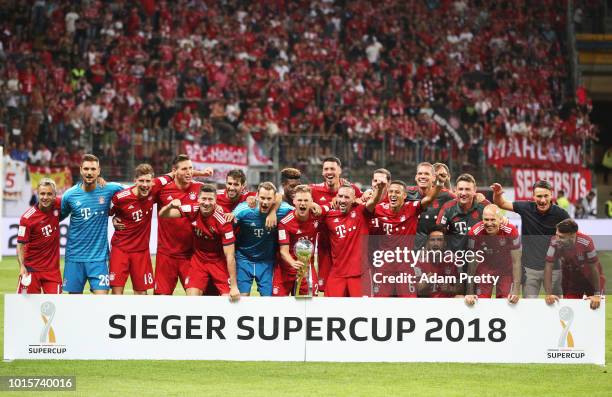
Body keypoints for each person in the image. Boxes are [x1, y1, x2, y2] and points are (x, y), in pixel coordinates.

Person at [158, 184, 240, 300]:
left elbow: (230, 255)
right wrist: (170, 205)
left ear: (215, 201)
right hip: (199, 261)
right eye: (204, 199)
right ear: (198, 199)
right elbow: (163, 214)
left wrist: (234, 286)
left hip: (218, 263)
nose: (206, 203)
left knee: (228, 299)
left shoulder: (223, 221)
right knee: (192, 299)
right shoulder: (193, 209)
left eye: (210, 199)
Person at [492, 180, 569, 298]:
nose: (542, 200)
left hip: (554, 270)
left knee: (558, 309)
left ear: (551, 195)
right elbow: (501, 203)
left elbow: (572, 236)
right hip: (530, 270)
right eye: (539, 196)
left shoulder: (561, 214)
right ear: (533, 196)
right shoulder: (526, 207)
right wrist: (497, 194)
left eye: (546, 196)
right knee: (529, 308)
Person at [371, 177, 444, 297]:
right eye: (391, 192)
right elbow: (365, 208)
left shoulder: (412, 208)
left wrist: (440, 183)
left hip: (404, 264)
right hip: (384, 264)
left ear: (404, 195)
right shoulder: (379, 209)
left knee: (409, 301)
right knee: (380, 302)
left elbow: (429, 198)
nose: (393, 195)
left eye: (397, 192)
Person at [61, 154, 124, 294]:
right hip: (74, 258)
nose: (89, 173)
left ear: (99, 170)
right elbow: (55, 218)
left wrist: (117, 215)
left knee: (101, 304)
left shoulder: (110, 189)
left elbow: (134, 192)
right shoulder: (69, 195)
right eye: (86, 169)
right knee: (74, 305)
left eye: (93, 169)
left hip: (98, 259)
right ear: (81, 170)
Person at [109, 164, 173, 295]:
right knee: (116, 292)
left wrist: (201, 173)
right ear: (135, 181)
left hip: (141, 251)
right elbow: (109, 212)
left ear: (152, 181)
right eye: (141, 181)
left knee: (142, 293)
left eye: (148, 181)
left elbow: (176, 173)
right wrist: (113, 219)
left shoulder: (155, 187)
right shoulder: (120, 198)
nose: (145, 184)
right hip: (120, 249)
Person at [153, 154, 211, 295]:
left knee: (196, 298)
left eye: (191, 168)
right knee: (160, 299)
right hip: (166, 255)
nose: (189, 172)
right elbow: (142, 195)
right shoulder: (162, 190)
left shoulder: (200, 189)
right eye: (184, 169)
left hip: (191, 255)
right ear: (174, 171)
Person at [321, 180, 386, 297]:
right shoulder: (329, 217)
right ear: (336, 197)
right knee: (330, 311)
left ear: (354, 199)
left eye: (347, 197)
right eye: (340, 196)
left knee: (363, 312)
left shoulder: (361, 211)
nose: (342, 200)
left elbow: (373, 201)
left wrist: (379, 189)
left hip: (360, 274)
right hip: (337, 274)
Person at [310, 157, 363, 292]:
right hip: (325, 246)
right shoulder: (314, 190)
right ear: (322, 172)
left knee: (348, 288)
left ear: (339, 171)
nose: (329, 172)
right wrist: (313, 204)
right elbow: (296, 197)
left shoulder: (352, 189)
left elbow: (364, 201)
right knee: (328, 287)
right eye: (326, 169)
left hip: (346, 248)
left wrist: (358, 198)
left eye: (332, 169)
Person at [233, 182, 293, 296]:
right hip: (244, 259)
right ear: (257, 196)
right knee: (242, 298)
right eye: (262, 198)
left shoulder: (283, 210)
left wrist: (315, 205)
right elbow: (228, 222)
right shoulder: (244, 209)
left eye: (269, 199)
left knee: (268, 300)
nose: (265, 202)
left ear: (275, 199)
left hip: (266, 261)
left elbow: (300, 209)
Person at [464, 205, 522, 305]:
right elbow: (472, 264)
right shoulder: (474, 232)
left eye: (493, 220)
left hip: (505, 270)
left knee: (506, 302)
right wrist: (469, 292)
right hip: (485, 269)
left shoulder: (511, 231)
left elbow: (516, 261)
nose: (489, 223)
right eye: (486, 219)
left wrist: (516, 290)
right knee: (481, 302)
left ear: (500, 220)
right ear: (482, 219)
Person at [544, 219, 605, 310]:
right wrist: (548, 294)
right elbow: (548, 266)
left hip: (590, 279)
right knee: (571, 308)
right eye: (556, 234)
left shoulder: (586, 242)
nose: (557, 239)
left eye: (561, 237)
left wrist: (597, 294)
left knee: (595, 308)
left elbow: (594, 268)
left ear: (572, 235)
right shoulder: (554, 242)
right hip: (571, 280)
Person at [16, 178, 63, 294]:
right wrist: (22, 266)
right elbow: (20, 245)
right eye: (42, 193)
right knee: (25, 307)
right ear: (37, 194)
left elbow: (74, 196)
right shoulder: (27, 218)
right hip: (31, 270)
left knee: (56, 308)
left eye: (49, 194)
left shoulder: (58, 204)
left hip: (52, 272)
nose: (45, 197)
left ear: (54, 195)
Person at [276, 185, 322, 296]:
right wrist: (292, 262)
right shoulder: (285, 223)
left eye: (306, 200)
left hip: (306, 269)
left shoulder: (317, 217)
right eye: (299, 200)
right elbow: (283, 251)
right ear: (294, 202)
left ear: (312, 202)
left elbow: (331, 207)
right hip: (285, 270)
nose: (302, 203)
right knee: (277, 305)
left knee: (309, 305)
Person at [408, 162, 456, 249]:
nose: (422, 176)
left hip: (436, 251)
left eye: (426, 174)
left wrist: (477, 197)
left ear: (434, 178)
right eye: (420, 173)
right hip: (411, 250)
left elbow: (464, 201)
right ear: (416, 177)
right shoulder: (407, 194)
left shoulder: (446, 195)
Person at [437, 173, 486, 252]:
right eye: (460, 189)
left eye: (467, 189)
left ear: (474, 190)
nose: (463, 193)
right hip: (455, 258)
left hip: (479, 257)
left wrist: (503, 219)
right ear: (455, 190)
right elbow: (439, 231)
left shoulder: (484, 206)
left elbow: (498, 220)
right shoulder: (448, 208)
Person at [415, 225, 463, 297]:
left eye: (439, 240)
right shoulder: (420, 260)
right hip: (427, 303)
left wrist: (450, 289)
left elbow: (461, 288)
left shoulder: (454, 260)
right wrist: (426, 281)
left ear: (445, 243)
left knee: (460, 297)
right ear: (427, 243)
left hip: (447, 302)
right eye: (432, 240)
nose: (435, 243)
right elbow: (415, 290)